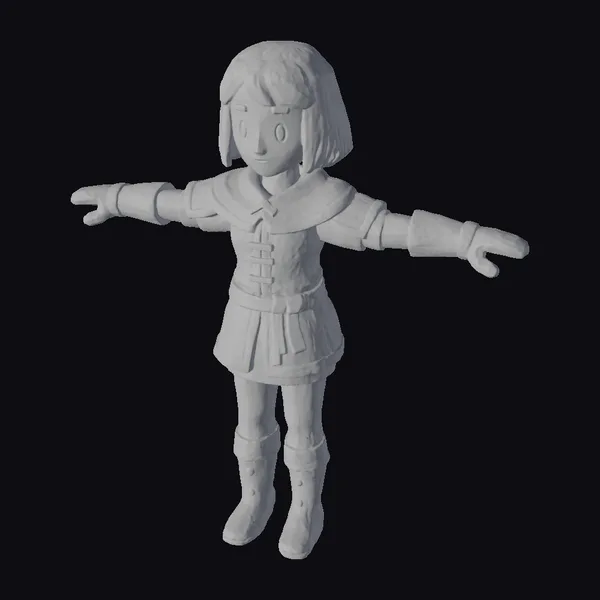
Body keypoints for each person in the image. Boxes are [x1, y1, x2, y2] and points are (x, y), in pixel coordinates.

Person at [70, 40, 529, 560]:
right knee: (249, 421)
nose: (258, 141)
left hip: (299, 322)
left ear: (313, 125)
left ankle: (306, 505)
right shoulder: (228, 193)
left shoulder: (324, 201)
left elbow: (390, 229)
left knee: (303, 426)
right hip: (245, 319)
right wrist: (115, 197)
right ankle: (254, 496)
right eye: (244, 121)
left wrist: (465, 238)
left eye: (278, 126)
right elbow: (172, 203)